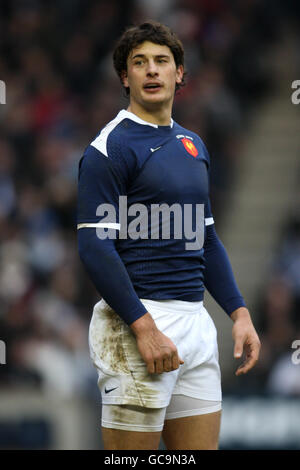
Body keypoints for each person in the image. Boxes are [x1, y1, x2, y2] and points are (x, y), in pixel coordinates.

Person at [77, 21, 261, 450]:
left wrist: (239, 313)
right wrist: (143, 328)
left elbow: (207, 239)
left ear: (180, 73)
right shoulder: (110, 149)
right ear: (126, 78)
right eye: (139, 63)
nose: (152, 71)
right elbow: (94, 245)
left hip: (195, 323)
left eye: (162, 61)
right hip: (136, 322)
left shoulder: (192, 144)